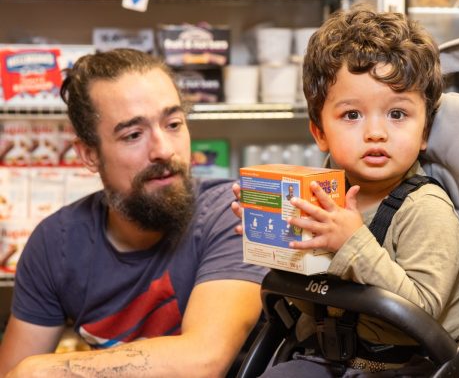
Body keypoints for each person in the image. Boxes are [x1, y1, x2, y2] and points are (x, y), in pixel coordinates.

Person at [232, 4, 459, 376]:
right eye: (352, 115)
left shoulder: (426, 209)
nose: (376, 132)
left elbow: (423, 311)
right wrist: (273, 236)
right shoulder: (317, 196)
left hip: (409, 366)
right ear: (319, 132)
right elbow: (308, 291)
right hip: (327, 355)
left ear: (424, 131)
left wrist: (352, 242)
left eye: (397, 114)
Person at [0, 49, 267, 378]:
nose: (163, 150)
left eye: (173, 124)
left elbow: (203, 360)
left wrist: (41, 371)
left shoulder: (234, 212)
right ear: (89, 155)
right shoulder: (56, 243)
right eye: (133, 135)